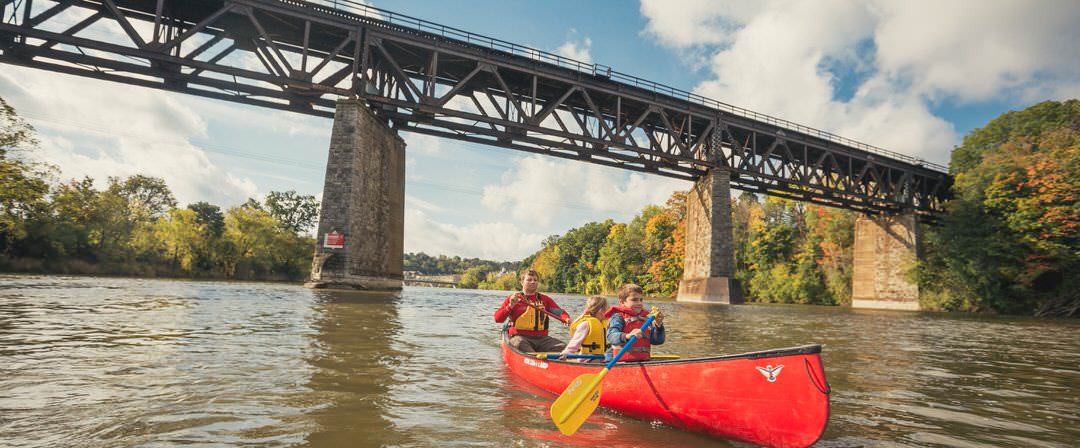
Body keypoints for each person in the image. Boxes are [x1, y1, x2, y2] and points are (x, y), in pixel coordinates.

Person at [494, 269, 570, 353]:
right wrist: (510, 306)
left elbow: (560, 313)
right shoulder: (513, 298)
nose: (533, 282)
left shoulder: (545, 299)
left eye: (535, 280)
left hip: (542, 339)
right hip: (520, 337)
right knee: (520, 344)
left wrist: (566, 319)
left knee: (564, 348)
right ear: (522, 282)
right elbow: (498, 319)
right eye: (529, 280)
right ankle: (534, 358)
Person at [605, 283, 665, 362]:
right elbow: (611, 336)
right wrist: (627, 336)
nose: (639, 303)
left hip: (642, 361)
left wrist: (659, 326)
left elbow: (657, 341)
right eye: (634, 300)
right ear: (622, 302)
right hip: (620, 362)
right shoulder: (618, 317)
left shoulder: (645, 319)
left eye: (641, 300)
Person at [558, 295, 609, 362]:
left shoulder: (605, 323)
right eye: (607, 308)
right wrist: (566, 354)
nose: (608, 311)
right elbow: (575, 342)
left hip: (603, 358)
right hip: (587, 359)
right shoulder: (585, 324)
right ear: (601, 311)